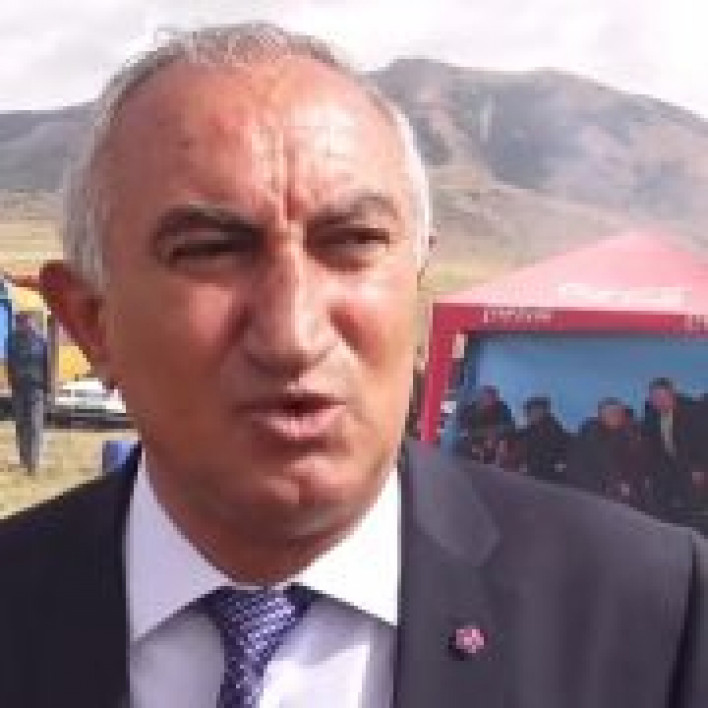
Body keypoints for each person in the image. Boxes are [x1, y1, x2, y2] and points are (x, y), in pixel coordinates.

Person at [0, 24, 706, 708]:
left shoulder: (653, 617)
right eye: (210, 250)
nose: (293, 335)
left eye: (354, 241)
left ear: (416, 275)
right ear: (91, 321)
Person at [567, 398, 655, 512]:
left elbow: (631, 463)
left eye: (620, 414)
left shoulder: (620, 433)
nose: (618, 417)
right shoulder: (592, 434)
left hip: (607, 489)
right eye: (614, 414)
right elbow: (604, 463)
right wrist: (617, 485)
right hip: (590, 492)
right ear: (602, 416)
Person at [642, 378, 708, 522]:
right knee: (659, 497)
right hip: (668, 464)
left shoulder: (692, 410)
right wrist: (648, 473)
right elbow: (651, 447)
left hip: (693, 462)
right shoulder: (651, 414)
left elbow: (703, 441)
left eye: (663, 397)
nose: (659, 402)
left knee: (695, 501)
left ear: (672, 394)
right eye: (655, 398)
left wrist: (699, 467)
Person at [6, 311, 49, 473]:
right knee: (21, 424)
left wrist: (48, 389)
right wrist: (12, 384)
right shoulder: (11, 340)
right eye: (20, 322)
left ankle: (33, 463)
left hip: (36, 388)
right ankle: (24, 459)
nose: (25, 324)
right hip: (18, 388)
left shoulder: (41, 340)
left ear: (32, 322)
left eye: (27, 321)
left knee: (35, 424)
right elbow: (10, 364)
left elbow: (47, 365)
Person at [517, 395, 571, 485]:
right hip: (530, 478)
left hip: (547, 481)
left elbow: (558, 461)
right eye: (526, 412)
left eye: (529, 412)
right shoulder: (529, 431)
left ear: (542, 412)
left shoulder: (556, 434)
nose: (527, 416)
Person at [455, 384, 515, 462]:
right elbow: (463, 425)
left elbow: (509, 425)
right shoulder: (472, 408)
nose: (488, 400)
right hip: (475, 439)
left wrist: (495, 435)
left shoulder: (502, 408)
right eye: (486, 397)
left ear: (496, 398)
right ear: (481, 398)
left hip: (495, 439)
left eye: (491, 397)